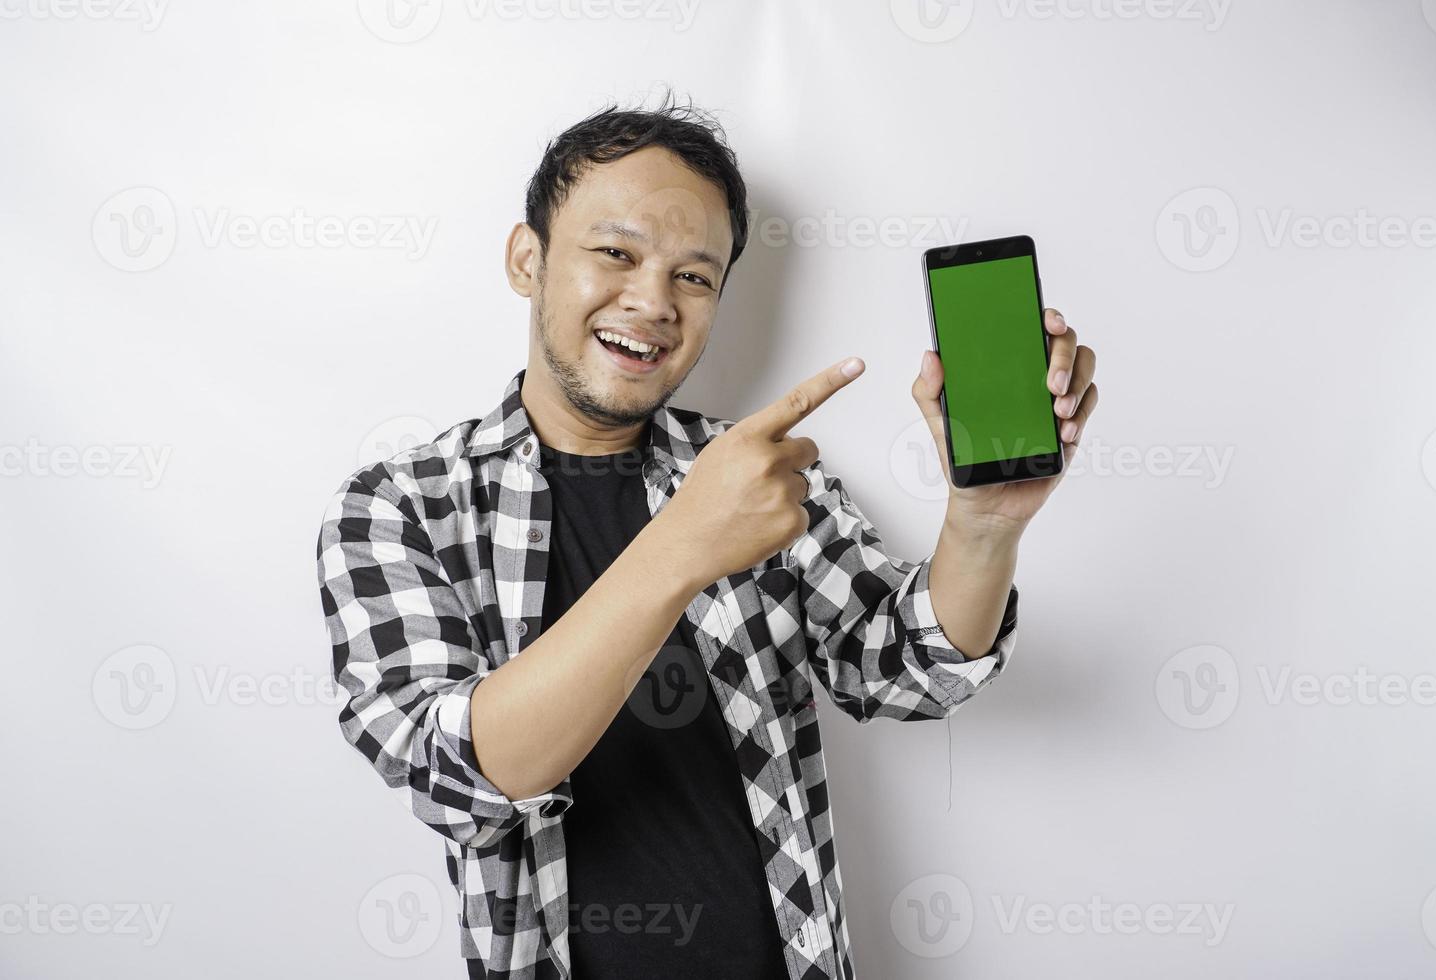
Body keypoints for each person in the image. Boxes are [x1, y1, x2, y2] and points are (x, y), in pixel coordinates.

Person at [314, 93, 1098, 980]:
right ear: (526, 259)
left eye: (694, 275)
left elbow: (902, 673)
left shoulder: (755, 475)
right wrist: (681, 545)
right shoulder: (399, 508)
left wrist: (984, 526)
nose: (652, 302)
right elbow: (456, 779)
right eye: (615, 252)